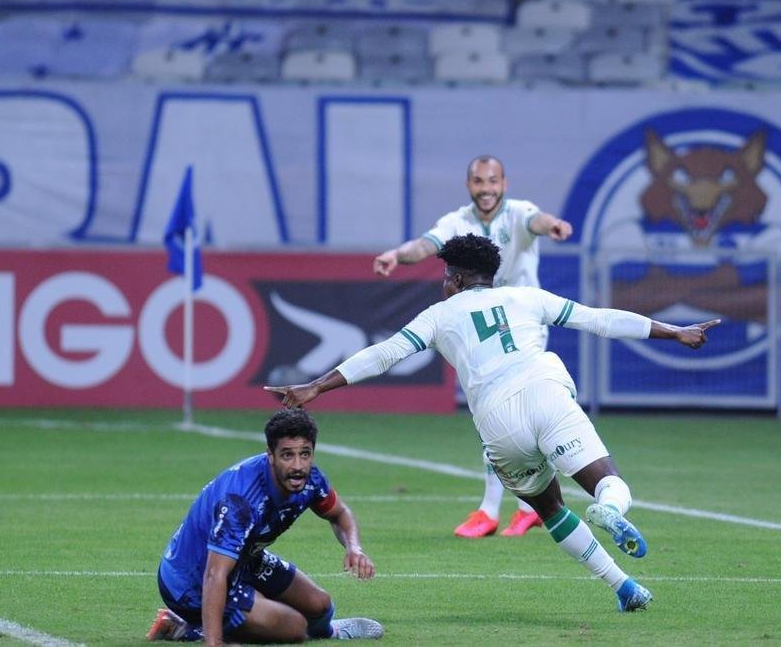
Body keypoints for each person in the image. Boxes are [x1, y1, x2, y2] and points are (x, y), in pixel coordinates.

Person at [269, 233, 718, 613]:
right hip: (544, 392)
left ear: (459, 278)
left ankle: (625, 587)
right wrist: (674, 332)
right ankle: (611, 509)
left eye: (447, 275)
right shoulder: (527, 297)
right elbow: (599, 320)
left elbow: (383, 355)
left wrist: (316, 388)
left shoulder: (439, 316)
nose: (444, 283)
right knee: (608, 481)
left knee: (550, 509)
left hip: (498, 424)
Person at [372, 155, 574, 540]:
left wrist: (555, 227)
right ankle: (518, 507)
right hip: (480, 325)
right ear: (469, 185)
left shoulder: (518, 213)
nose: (486, 189)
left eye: (493, 181)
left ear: (505, 183)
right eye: (479, 182)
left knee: (506, 414)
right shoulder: (457, 222)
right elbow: (425, 246)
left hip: (521, 325)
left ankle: (501, 509)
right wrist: (397, 255)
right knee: (497, 416)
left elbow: (538, 221)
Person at [146, 409, 383, 644]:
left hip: (244, 558)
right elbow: (214, 573)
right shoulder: (241, 501)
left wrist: (354, 547)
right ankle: (191, 629)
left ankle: (328, 631)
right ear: (270, 454)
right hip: (190, 580)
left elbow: (339, 513)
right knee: (295, 627)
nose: (298, 466)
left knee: (320, 605)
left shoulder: (312, 480)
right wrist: (215, 644)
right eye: (287, 455)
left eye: (305, 454)